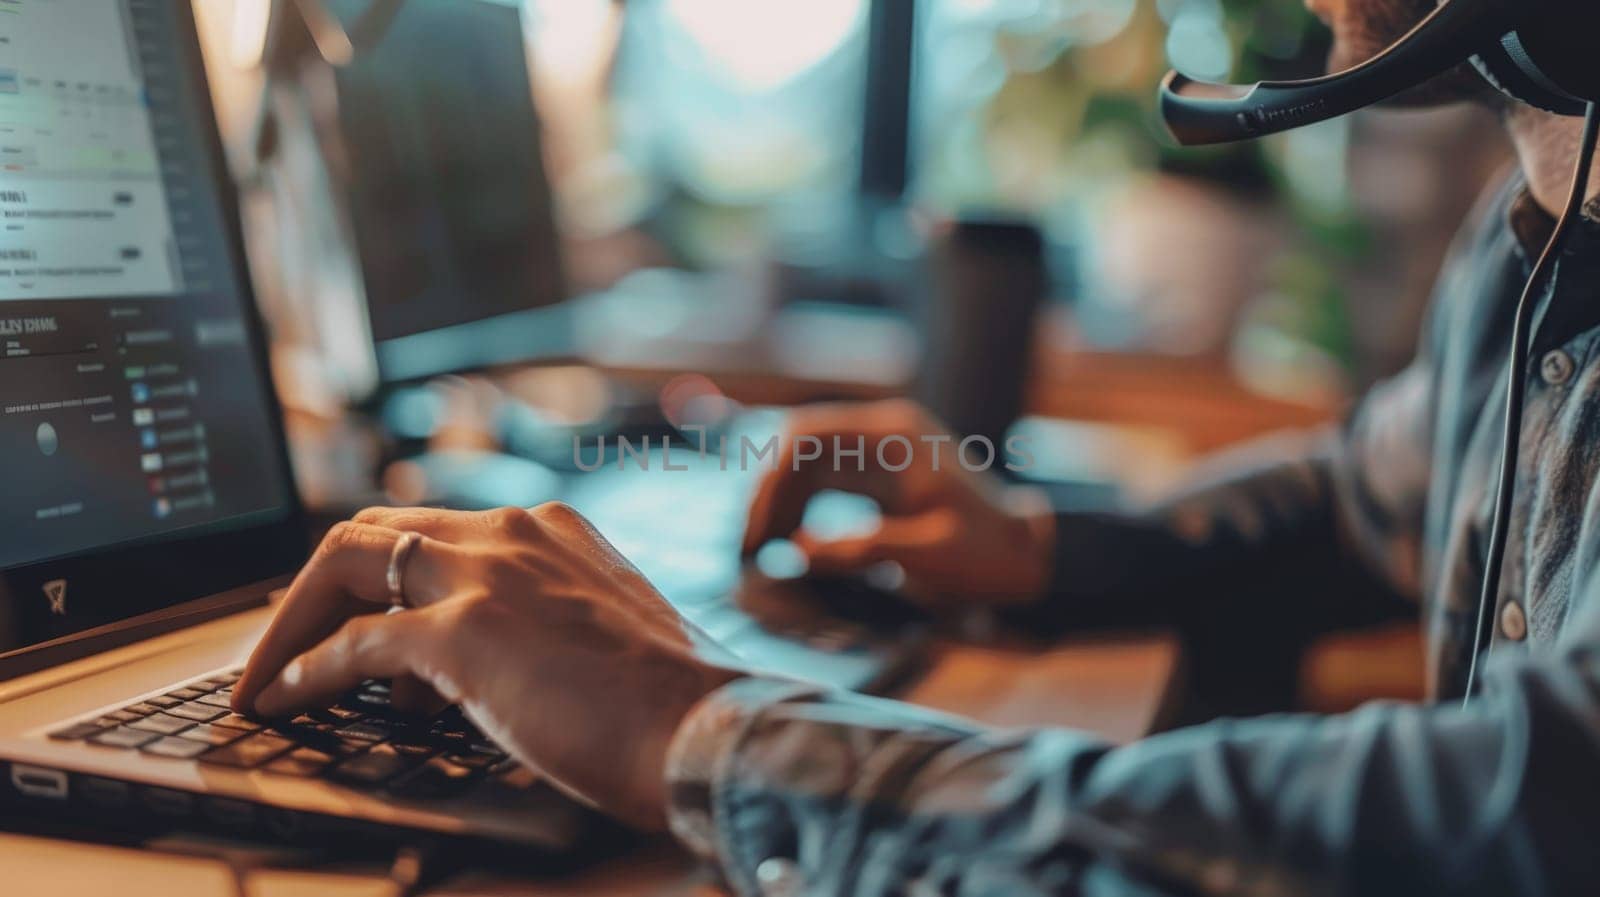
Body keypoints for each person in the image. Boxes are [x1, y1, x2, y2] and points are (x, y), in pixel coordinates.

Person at [233, 1, 1600, 893]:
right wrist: (1037, 546)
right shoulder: (1523, 243)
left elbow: (1511, 816)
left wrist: (696, 727)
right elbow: (1372, 496)